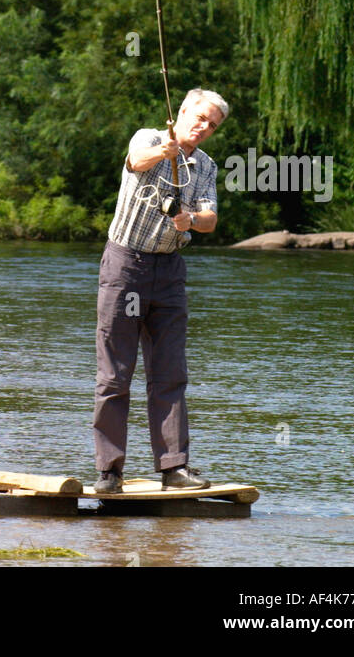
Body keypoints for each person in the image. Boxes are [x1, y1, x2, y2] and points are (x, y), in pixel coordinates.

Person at [92, 87, 228, 493]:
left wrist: (192, 221)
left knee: (169, 372)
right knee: (115, 374)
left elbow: (211, 218)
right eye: (200, 118)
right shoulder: (148, 138)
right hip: (125, 265)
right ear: (183, 111)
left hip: (169, 271)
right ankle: (109, 472)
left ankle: (174, 468)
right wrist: (165, 152)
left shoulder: (205, 166)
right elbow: (136, 162)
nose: (204, 127)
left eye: (213, 125)